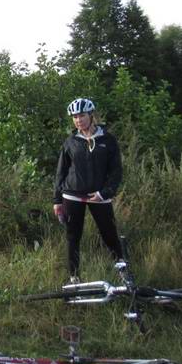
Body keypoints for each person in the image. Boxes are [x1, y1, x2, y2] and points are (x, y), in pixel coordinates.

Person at [53, 98, 124, 283]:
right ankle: (74, 278)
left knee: (110, 235)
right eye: (75, 117)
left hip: (99, 197)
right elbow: (61, 172)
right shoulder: (70, 142)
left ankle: (124, 273)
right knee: (73, 237)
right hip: (72, 195)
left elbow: (116, 171)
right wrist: (57, 201)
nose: (78, 120)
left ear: (91, 116)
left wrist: (105, 193)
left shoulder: (107, 140)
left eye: (82, 115)